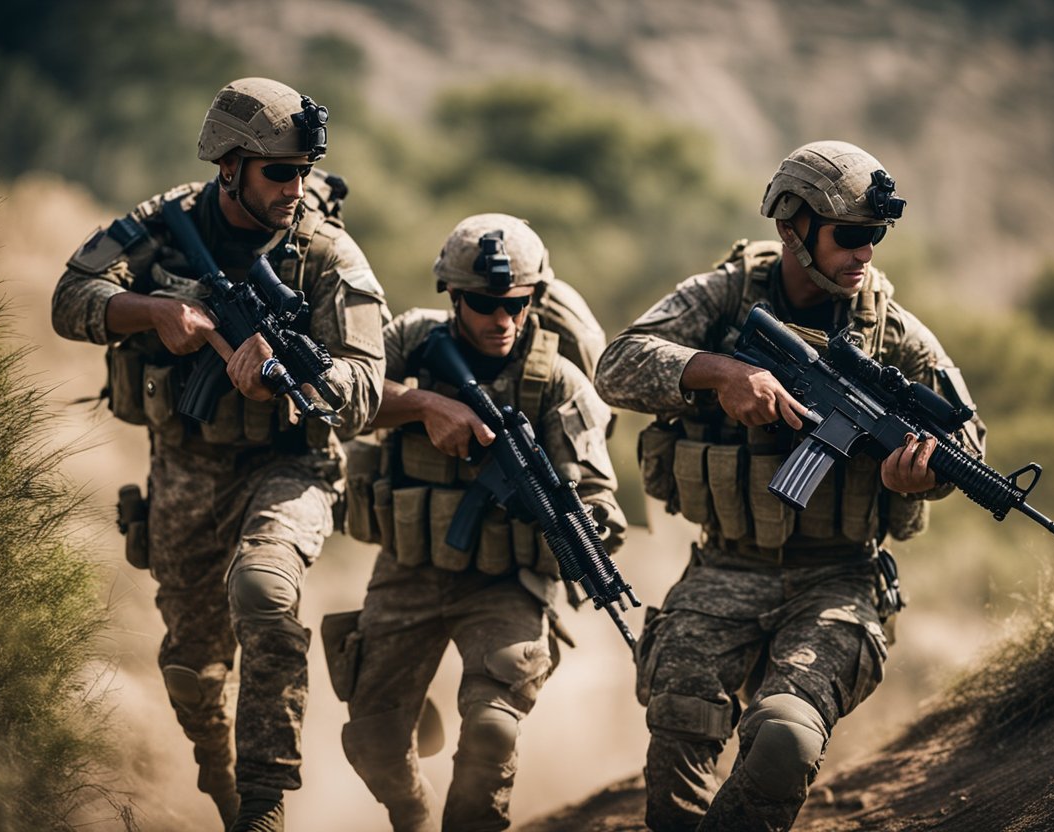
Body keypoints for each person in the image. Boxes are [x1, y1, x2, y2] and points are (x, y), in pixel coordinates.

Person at [594, 140, 987, 832]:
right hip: (723, 568)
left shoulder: (894, 335)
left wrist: (923, 478)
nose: (865, 253)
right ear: (790, 227)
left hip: (838, 580)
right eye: (850, 236)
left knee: (783, 738)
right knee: (680, 725)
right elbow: (617, 365)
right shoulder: (722, 296)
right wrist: (720, 375)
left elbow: (969, 446)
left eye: (876, 238)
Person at [51, 77, 387, 831]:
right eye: (279, 171)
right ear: (228, 166)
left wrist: (294, 378)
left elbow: (366, 391)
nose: (295, 187)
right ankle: (223, 781)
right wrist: (154, 312)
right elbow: (69, 298)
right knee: (192, 670)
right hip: (185, 466)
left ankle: (264, 804)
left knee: (265, 595)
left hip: (289, 465)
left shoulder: (327, 253)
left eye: (304, 170)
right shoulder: (165, 224)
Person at [326, 213, 627, 832]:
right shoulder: (415, 341)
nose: (504, 321)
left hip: (504, 583)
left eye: (518, 304)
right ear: (454, 297)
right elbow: (340, 392)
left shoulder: (558, 381)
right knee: (375, 739)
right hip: (409, 568)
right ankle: (412, 812)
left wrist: (589, 522)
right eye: (487, 305)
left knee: (491, 729)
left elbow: (597, 489)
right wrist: (424, 404)